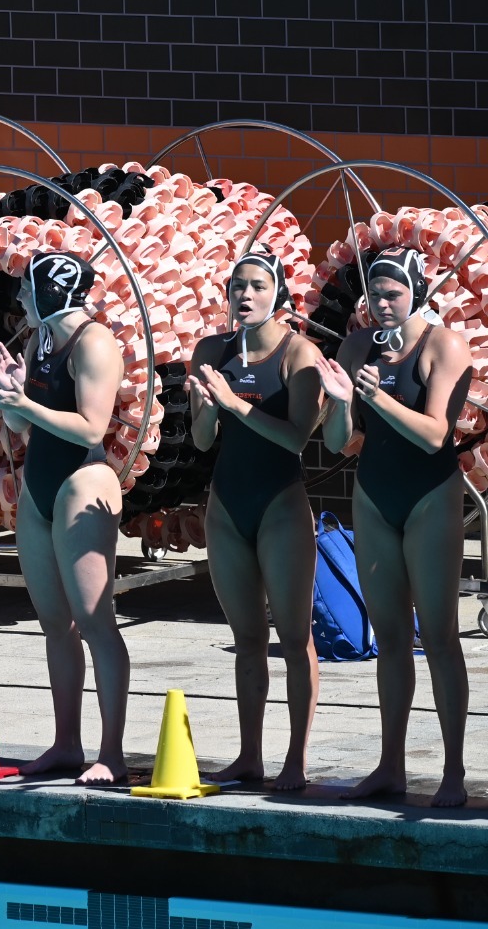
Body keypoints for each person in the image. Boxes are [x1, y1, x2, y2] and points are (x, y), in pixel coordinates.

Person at [319, 246, 474, 807]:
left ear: (417, 294)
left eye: (394, 294)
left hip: (431, 495)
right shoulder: (358, 343)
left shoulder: (443, 345)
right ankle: (391, 765)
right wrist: (340, 404)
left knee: (437, 636)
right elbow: (338, 442)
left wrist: (378, 397)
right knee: (389, 640)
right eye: (375, 294)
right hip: (373, 494)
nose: (382, 304)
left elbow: (436, 434)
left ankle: (453, 770)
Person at [0, 251, 130, 785]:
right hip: (40, 487)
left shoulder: (93, 342)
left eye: (27, 287)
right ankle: (67, 742)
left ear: (53, 290)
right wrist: (6, 398)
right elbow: (25, 428)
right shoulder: (38, 339)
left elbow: (93, 428)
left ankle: (110, 752)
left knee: (95, 622)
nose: (19, 296)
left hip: (83, 483)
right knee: (55, 625)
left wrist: (26, 401)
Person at [185, 252, 324, 790]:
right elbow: (202, 442)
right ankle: (249, 755)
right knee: (245, 638)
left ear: (279, 295)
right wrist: (203, 406)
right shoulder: (211, 351)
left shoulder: (299, 355)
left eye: (258, 286)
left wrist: (233, 403)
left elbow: (295, 439)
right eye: (236, 286)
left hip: (280, 505)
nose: (245, 295)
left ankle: (295, 759)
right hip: (227, 504)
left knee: (294, 638)